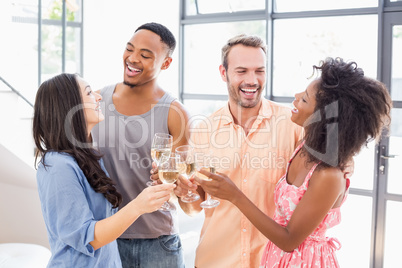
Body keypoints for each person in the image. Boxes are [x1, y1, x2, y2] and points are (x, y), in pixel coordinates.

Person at [195, 57, 392, 267]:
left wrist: (235, 195)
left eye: (305, 99)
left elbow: (289, 240)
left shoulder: (328, 175)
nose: (296, 98)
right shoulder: (304, 147)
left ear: (323, 117)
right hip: (277, 258)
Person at [182, 34, 304, 267]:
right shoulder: (204, 130)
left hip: (273, 261)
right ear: (223, 73)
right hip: (215, 260)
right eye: (241, 71)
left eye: (259, 71)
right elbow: (194, 207)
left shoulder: (294, 125)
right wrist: (182, 193)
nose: (252, 80)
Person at [33, 73, 175, 267]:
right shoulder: (57, 166)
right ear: (70, 105)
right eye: (89, 93)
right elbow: (88, 238)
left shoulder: (88, 156)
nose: (99, 97)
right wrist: (138, 206)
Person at [91, 22, 190, 267]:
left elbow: (181, 186)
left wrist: (174, 182)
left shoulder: (175, 114)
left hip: (158, 242)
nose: (133, 59)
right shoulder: (97, 101)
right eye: (129, 49)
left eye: (145, 55)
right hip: (107, 236)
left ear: (166, 63)